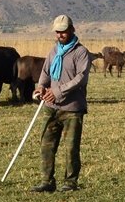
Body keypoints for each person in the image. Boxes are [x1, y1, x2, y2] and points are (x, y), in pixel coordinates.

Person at [31, 14, 93, 193]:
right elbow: (46, 72)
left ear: (72, 30)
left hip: (72, 109)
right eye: (57, 32)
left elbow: (80, 78)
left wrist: (57, 92)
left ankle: (70, 182)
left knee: (71, 147)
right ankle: (47, 181)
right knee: (46, 145)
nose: (60, 35)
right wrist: (41, 87)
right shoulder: (54, 51)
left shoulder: (81, 52)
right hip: (51, 107)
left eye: (63, 31)